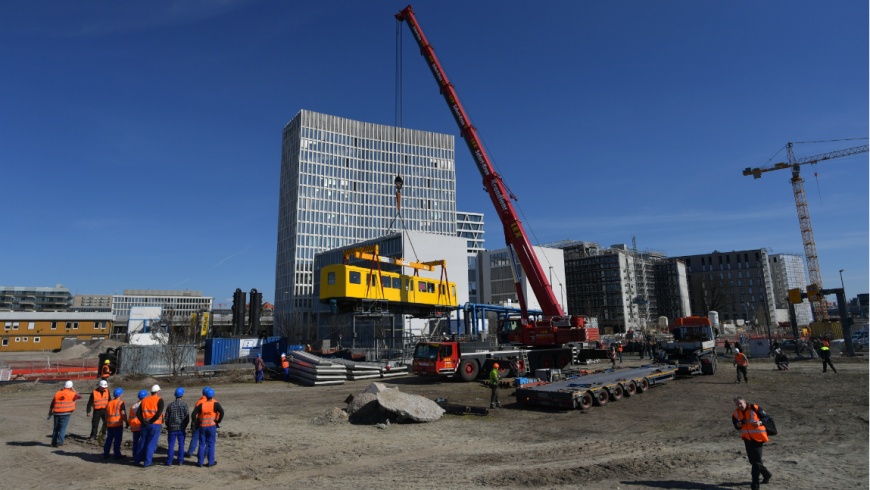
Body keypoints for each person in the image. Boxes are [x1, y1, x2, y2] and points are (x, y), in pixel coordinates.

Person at [732, 396, 773, 490]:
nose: (739, 405)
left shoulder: (755, 408)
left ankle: (755, 486)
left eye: (741, 403)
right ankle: (767, 474)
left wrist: (760, 422)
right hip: (747, 439)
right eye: (737, 404)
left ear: (744, 402)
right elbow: (736, 426)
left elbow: (767, 417)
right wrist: (738, 425)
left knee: (756, 463)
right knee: (753, 461)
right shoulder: (735, 414)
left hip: (758, 438)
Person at [192, 387, 225, 467]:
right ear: (212, 395)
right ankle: (210, 462)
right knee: (211, 444)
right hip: (212, 426)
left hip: (203, 426)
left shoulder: (202, 404)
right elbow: (222, 412)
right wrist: (218, 421)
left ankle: (200, 462)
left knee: (201, 444)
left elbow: (193, 414)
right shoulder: (215, 404)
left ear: (205, 395)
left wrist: (196, 422)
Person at [136, 384, 165, 468]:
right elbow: (158, 413)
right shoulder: (160, 400)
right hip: (155, 425)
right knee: (151, 444)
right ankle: (147, 462)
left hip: (144, 425)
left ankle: (137, 460)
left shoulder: (144, 400)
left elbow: (138, 413)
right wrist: (151, 421)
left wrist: (143, 421)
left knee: (142, 442)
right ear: (158, 392)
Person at [48, 380, 80, 447]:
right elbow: (79, 396)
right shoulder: (72, 394)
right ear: (71, 387)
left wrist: (50, 410)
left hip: (56, 413)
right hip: (66, 413)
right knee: (63, 428)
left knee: (56, 428)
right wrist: (74, 390)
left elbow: (53, 402)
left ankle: (53, 443)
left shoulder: (58, 393)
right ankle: (60, 442)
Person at [164, 387, 190, 466]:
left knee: (171, 445)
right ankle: (180, 461)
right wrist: (185, 425)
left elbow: (166, 418)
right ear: (182, 395)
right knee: (181, 444)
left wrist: (168, 426)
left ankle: (169, 461)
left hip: (172, 428)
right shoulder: (184, 405)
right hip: (181, 428)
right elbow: (187, 417)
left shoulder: (170, 405)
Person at [185, 386, 213, 458]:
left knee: (195, 437)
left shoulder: (199, 401)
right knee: (207, 439)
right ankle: (205, 453)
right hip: (209, 423)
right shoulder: (212, 401)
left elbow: (195, 413)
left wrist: (193, 422)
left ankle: (190, 452)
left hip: (198, 422)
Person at [103, 387, 127, 460]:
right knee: (117, 440)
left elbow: (106, 414)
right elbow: (123, 414)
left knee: (109, 439)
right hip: (117, 424)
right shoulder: (121, 403)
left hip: (109, 424)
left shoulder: (109, 403)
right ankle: (117, 454)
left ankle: (106, 454)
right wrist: (127, 422)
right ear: (120, 394)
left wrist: (105, 422)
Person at [129, 390, 147, 462]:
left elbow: (130, 418)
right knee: (143, 442)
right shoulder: (144, 406)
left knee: (135, 442)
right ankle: (141, 456)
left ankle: (135, 456)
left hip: (134, 427)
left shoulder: (133, 406)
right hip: (141, 426)